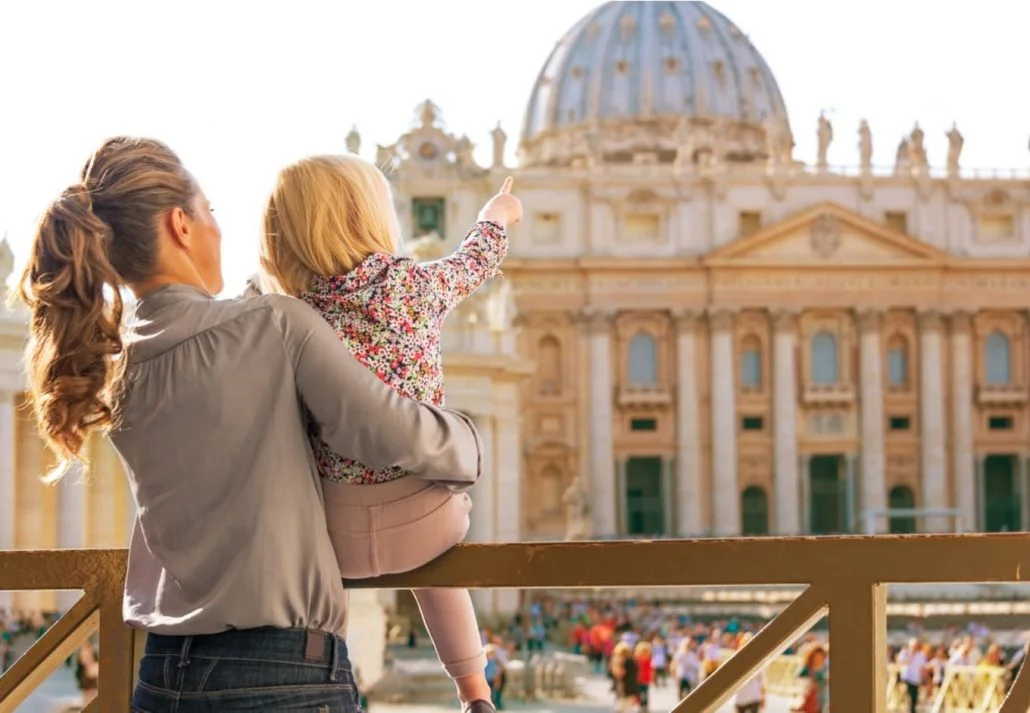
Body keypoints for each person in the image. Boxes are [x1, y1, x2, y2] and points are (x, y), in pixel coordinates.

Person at [16, 137, 484, 712]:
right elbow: (391, 435)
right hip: (280, 670)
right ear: (181, 225)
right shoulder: (276, 325)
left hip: (160, 672)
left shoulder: (113, 365)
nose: (220, 228)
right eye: (211, 211)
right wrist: (469, 442)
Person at [254, 154, 521, 712]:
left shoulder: (292, 314)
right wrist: (498, 214)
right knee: (439, 567)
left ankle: (326, 678)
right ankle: (474, 689)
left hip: (332, 530)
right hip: (426, 519)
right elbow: (474, 260)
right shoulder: (415, 285)